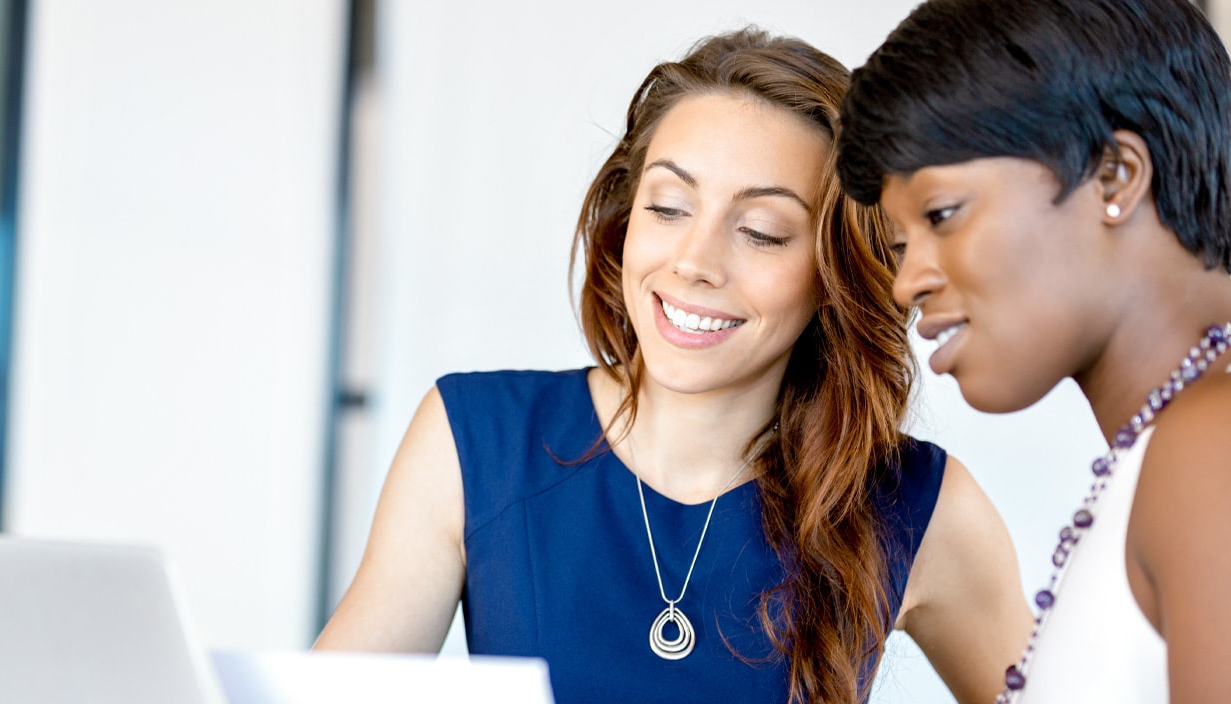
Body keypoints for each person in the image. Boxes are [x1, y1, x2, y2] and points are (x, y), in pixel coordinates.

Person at [317, 27, 1030, 703]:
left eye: (761, 232)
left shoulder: (923, 506)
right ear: (626, 221)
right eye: (668, 207)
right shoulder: (475, 440)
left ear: (833, 272)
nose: (694, 262)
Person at [836, 0, 1231, 701]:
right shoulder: (1167, 449)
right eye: (900, 247)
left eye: (941, 215)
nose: (906, 284)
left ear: (1114, 175)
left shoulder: (1210, 445)